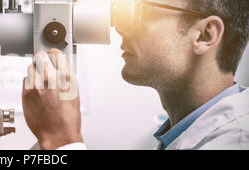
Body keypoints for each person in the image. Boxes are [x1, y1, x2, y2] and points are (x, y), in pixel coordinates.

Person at [22, 0, 249, 150]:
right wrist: (48, 138)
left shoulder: (235, 141)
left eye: (140, 11)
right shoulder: (178, 134)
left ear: (204, 35)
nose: (120, 28)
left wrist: (61, 139)